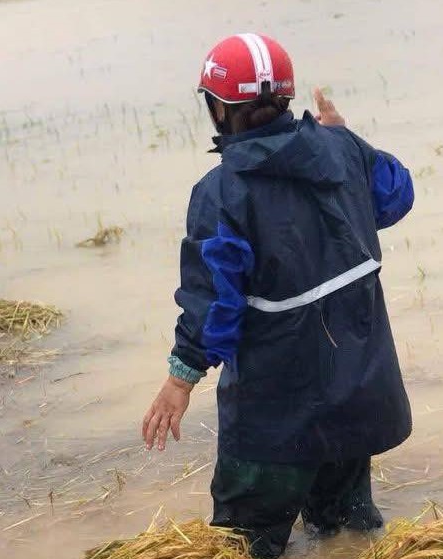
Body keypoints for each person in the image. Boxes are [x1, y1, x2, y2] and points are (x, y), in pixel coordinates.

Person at [141, 34, 414, 559]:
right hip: (357, 399)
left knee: (243, 545)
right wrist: (349, 139)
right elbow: (396, 196)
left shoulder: (221, 193)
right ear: (287, 98)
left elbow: (214, 305)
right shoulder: (341, 148)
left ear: (219, 108)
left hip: (275, 419)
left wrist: (180, 379)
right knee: (347, 535)